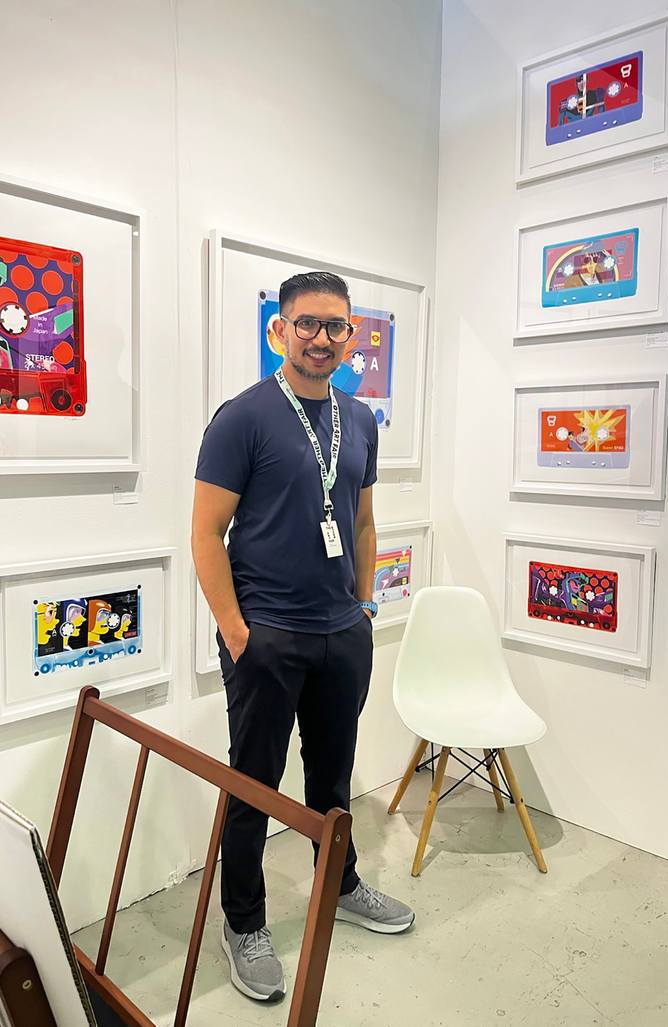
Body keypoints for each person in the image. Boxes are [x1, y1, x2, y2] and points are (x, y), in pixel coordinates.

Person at [192, 270, 414, 1003]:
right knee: (253, 783)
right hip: (269, 635)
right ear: (278, 330)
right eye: (308, 324)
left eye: (337, 326)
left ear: (353, 335)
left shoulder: (361, 418)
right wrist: (234, 628)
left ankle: (340, 883)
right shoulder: (242, 417)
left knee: (332, 776)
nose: (322, 339)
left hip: (340, 635)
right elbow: (205, 531)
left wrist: (363, 607)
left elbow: (362, 520)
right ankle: (243, 921)